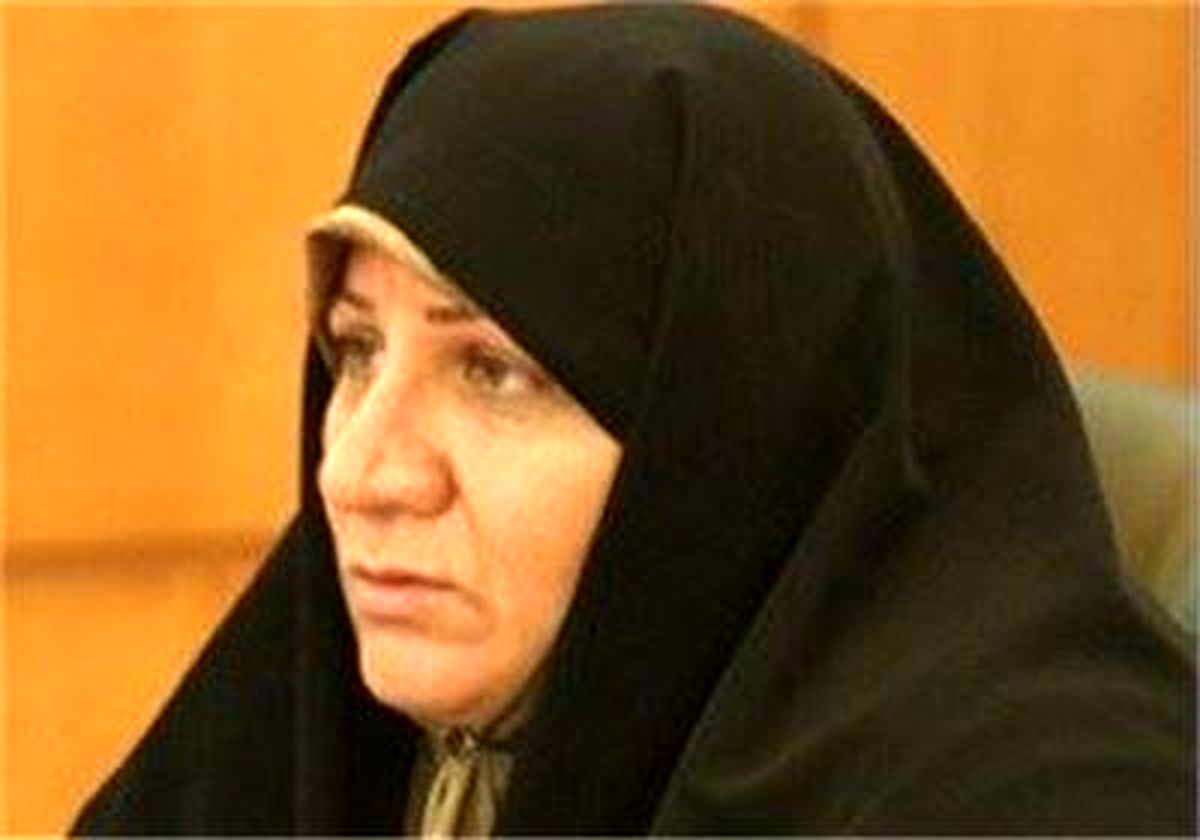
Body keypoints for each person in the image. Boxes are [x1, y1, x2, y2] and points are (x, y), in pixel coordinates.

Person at [71, 4, 1195, 835]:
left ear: (723, 436)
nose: (361, 475)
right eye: (357, 351)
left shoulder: (1063, 805)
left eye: (493, 372)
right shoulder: (331, 716)